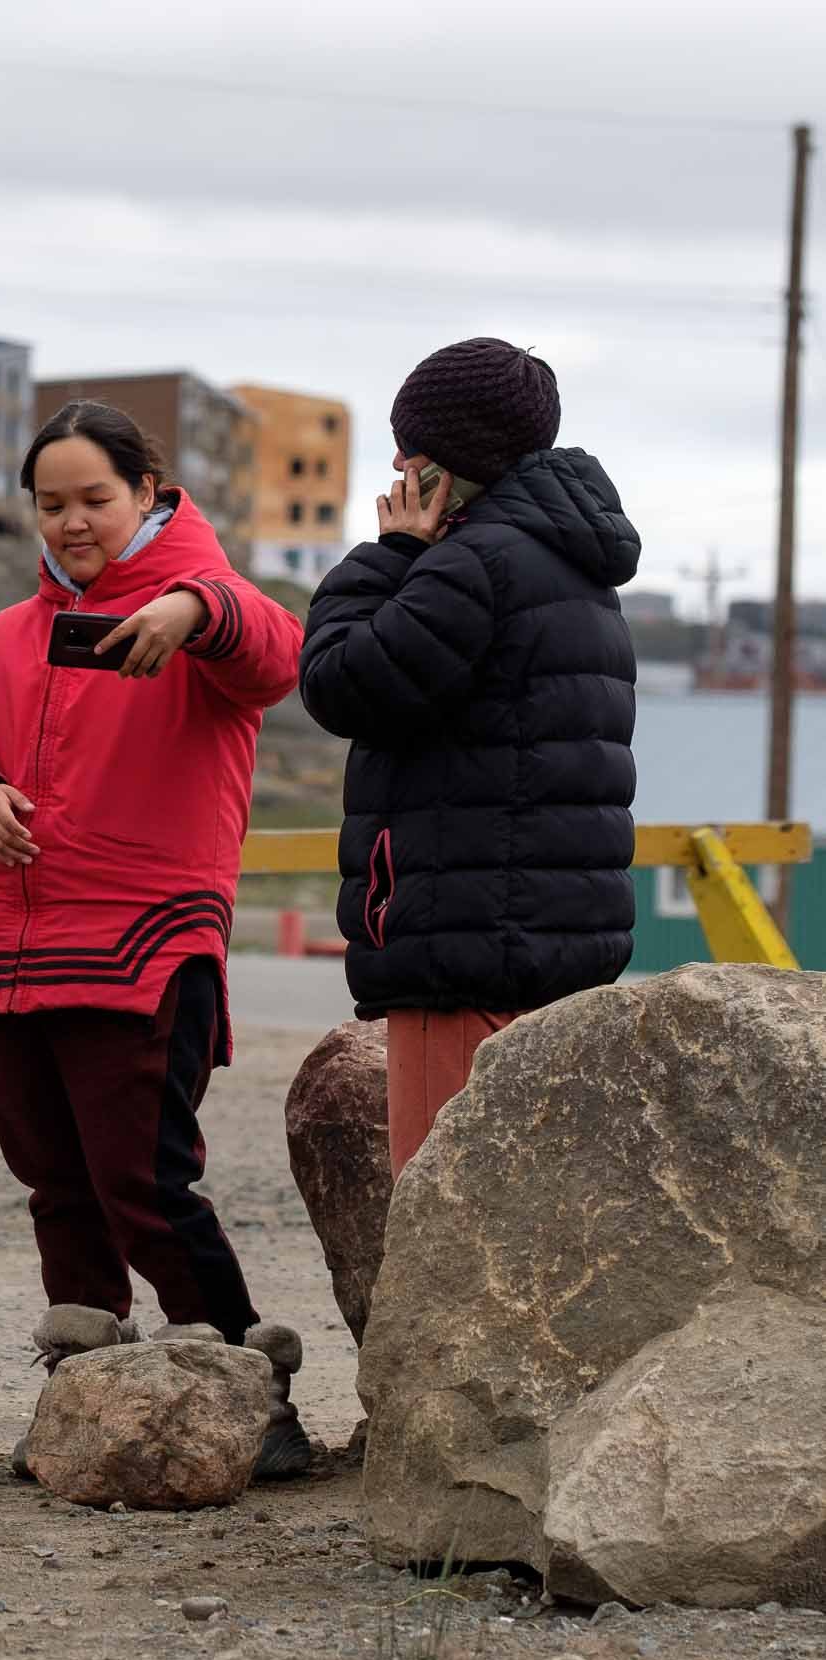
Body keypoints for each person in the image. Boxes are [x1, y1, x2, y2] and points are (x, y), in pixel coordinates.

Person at [0, 400, 314, 1480]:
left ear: (148, 492)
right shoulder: (10, 632)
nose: (73, 522)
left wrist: (191, 604)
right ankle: (87, 1387)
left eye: (96, 498)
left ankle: (249, 1388)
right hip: (15, 947)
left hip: (145, 940)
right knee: (53, 1176)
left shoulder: (206, 612)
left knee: (143, 1177)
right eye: (52, 504)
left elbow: (277, 656)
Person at [299, 339, 637, 1176]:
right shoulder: (570, 562)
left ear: (447, 462)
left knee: (451, 1198)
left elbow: (341, 681)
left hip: (464, 944)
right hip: (548, 942)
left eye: (410, 446)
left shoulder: (467, 565)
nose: (397, 462)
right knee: (537, 1203)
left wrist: (391, 555)